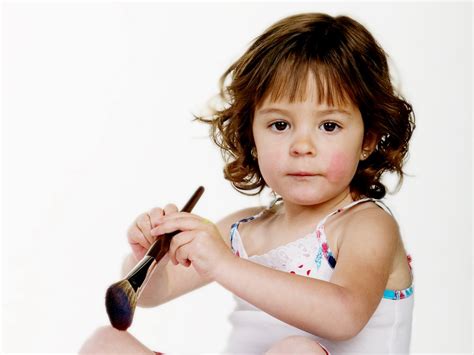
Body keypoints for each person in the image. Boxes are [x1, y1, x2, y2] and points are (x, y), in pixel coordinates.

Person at [80, 12, 416, 354]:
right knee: (106, 343)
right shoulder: (245, 229)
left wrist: (224, 264)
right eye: (280, 125)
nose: (302, 146)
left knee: (297, 350)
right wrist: (148, 259)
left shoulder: (367, 225)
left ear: (368, 139)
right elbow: (153, 296)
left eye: (328, 126)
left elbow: (345, 316)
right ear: (251, 136)